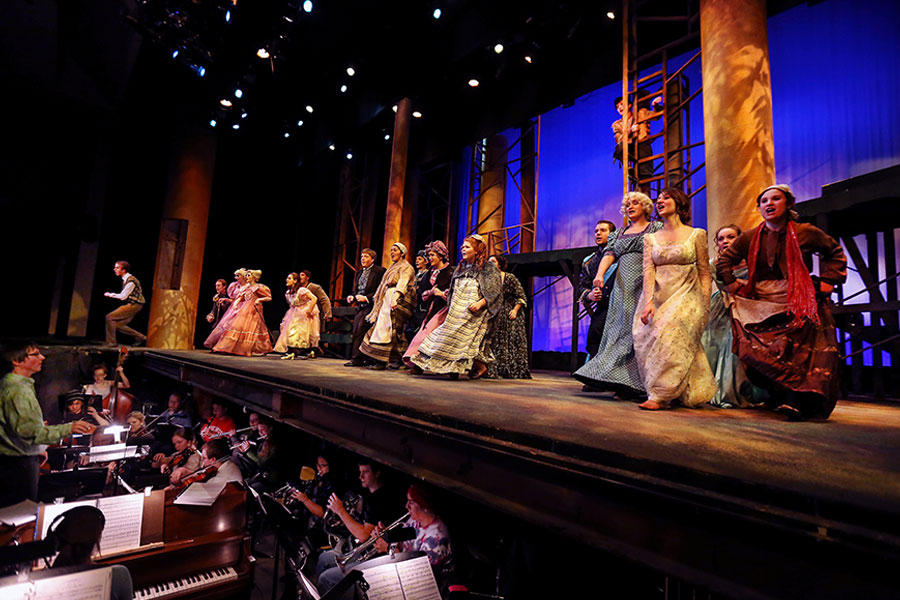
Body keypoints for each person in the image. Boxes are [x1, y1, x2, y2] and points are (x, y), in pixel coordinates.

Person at [717, 184, 847, 420]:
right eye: (764, 201)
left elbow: (834, 251)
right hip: (763, 302)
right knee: (758, 352)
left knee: (801, 355)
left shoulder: (805, 232)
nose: (769, 204)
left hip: (798, 301)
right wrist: (731, 283)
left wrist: (830, 279)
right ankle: (778, 396)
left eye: (776, 199)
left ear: (788, 204)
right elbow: (725, 260)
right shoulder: (750, 237)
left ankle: (797, 402)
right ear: (759, 208)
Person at [632, 187, 716, 410]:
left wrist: (704, 302)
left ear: (679, 203)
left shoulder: (697, 234)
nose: (660, 201)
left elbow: (705, 272)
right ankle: (684, 391)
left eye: (666, 197)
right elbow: (648, 270)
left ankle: (660, 395)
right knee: (657, 341)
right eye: (658, 198)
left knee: (672, 337)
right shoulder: (650, 238)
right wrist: (648, 300)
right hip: (659, 296)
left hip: (688, 294)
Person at [573, 192, 662, 398]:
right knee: (619, 332)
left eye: (635, 203)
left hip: (645, 284)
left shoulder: (655, 228)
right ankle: (621, 382)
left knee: (640, 333)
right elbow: (609, 254)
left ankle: (642, 383)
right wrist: (600, 275)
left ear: (646, 207)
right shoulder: (619, 233)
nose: (630, 207)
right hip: (622, 288)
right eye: (627, 204)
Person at [0, 342, 94, 506]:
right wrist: (70, 428)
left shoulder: (14, 384)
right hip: (17, 467)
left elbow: (12, 428)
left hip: (16, 460)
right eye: (35, 354)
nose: (42, 357)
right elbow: (29, 432)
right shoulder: (18, 390)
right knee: (19, 516)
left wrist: (37, 449)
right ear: (16, 360)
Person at [410, 235, 502, 379]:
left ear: (477, 250)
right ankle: (455, 367)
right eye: (462, 247)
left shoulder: (488, 268)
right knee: (444, 335)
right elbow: (453, 288)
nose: (462, 249)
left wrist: (481, 303)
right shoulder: (461, 267)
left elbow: (495, 290)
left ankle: (466, 367)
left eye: (467, 247)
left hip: (475, 310)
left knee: (463, 340)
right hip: (457, 309)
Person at [315, 461, 405, 593]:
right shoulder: (368, 495)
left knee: (325, 577)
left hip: (370, 556)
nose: (360, 476)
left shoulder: (381, 500)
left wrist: (340, 510)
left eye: (366, 472)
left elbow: (363, 536)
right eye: (360, 472)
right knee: (323, 559)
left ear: (377, 474)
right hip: (355, 548)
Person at [701, 225, 764, 408]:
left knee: (737, 349)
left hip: (747, 308)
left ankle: (739, 390)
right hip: (721, 308)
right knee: (712, 345)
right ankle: (712, 389)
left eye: (730, 237)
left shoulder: (753, 262)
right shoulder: (714, 264)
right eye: (721, 239)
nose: (725, 242)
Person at [360, 243, 416, 370]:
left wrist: (395, 299)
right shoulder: (392, 267)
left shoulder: (406, 267)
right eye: (391, 250)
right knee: (387, 329)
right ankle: (393, 359)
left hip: (397, 298)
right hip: (387, 298)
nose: (392, 252)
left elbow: (403, 283)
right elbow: (382, 284)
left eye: (395, 250)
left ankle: (386, 360)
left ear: (402, 253)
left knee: (389, 329)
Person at [402, 241, 454, 367]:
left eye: (432, 255)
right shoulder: (429, 273)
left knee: (434, 336)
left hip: (444, 309)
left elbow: (454, 292)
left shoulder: (450, 272)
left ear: (441, 256)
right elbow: (422, 293)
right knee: (425, 333)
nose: (430, 258)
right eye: (429, 255)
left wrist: (441, 294)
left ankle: (436, 365)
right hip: (431, 308)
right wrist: (431, 292)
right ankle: (416, 363)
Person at [485, 255, 531, 379]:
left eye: (493, 262)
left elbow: (521, 296)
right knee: (496, 342)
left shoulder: (509, 278)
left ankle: (511, 369)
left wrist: (515, 310)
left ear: (499, 264)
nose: (491, 264)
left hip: (510, 313)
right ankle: (496, 369)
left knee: (511, 342)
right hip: (496, 314)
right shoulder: (489, 280)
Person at [578, 220, 617, 361]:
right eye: (596, 231)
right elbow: (581, 287)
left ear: (612, 234)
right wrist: (590, 295)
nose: (598, 233)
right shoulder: (589, 261)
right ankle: (593, 376)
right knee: (594, 337)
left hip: (622, 305)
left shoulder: (620, 255)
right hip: (604, 306)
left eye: (603, 230)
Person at [212, 269, 273, 356]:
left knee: (253, 328)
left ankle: (253, 348)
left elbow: (269, 297)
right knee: (239, 327)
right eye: (246, 275)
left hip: (254, 309)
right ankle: (233, 347)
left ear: (254, 277)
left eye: (249, 275)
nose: (246, 277)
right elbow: (241, 297)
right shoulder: (247, 287)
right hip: (245, 308)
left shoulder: (259, 287)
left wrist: (259, 299)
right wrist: (236, 303)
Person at [344, 249, 386, 367]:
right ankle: (358, 358)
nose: (363, 259)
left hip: (372, 306)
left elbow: (381, 289)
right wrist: (352, 297)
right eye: (362, 256)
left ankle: (361, 358)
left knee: (363, 330)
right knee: (357, 330)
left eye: (366, 256)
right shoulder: (359, 273)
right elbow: (356, 290)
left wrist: (366, 298)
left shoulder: (379, 271)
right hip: (360, 307)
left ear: (372, 259)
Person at [612, 93, 662, 192]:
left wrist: (656, 106)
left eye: (622, 104)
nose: (620, 107)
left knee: (644, 176)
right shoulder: (617, 125)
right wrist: (630, 131)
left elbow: (656, 116)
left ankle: (644, 194)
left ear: (629, 105)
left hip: (642, 144)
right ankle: (629, 169)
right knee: (618, 149)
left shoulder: (640, 113)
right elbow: (619, 139)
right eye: (618, 107)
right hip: (629, 146)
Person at [274, 272, 320, 360]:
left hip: (304, 312)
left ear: (295, 281)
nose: (286, 280)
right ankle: (294, 351)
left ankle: (301, 351)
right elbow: (292, 304)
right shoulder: (288, 292)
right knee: (289, 330)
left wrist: (309, 310)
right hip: (295, 312)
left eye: (289, 278)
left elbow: (314, 298)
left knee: (302, 333)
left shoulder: (302, 290)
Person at [104, 261, 147, 346]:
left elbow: (123, 296)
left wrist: (110, 294)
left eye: (117, 268)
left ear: (123, 270)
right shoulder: (126, 279)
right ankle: (140, 337)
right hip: (134, 304)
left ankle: (111, 342)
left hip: (134, 304)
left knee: (110, 317)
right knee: (118, 324)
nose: (114, 269)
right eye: (115, 267)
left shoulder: (131, 281)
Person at [204, 269, 249, 348]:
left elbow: (234, 299)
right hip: (231, 310)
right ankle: (220, 346)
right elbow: (215, 308)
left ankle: (232, 347)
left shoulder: (247, 287)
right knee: (222, 327)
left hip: (240, 308)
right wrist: (211, 314)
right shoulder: (233, 286)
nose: (236, 277)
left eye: (238, 276)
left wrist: (226, 300)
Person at [298, 270, 332, 354]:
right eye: (299, 275)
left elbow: (325, 299)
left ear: (308, 277)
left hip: (314, 314)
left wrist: (328, 313)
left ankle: (315, 349)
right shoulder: (298, 288)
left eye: (302, 275)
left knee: (313, 334)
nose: (300, 277)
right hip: (303, 315)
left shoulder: (314, 287)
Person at [404, 250, 433, 341]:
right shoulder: (416, 275)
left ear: (426, 261)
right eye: (416, 259)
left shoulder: (427, 274)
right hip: (413, 305)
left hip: (421, 306)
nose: (417, 261)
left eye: (420, 259)